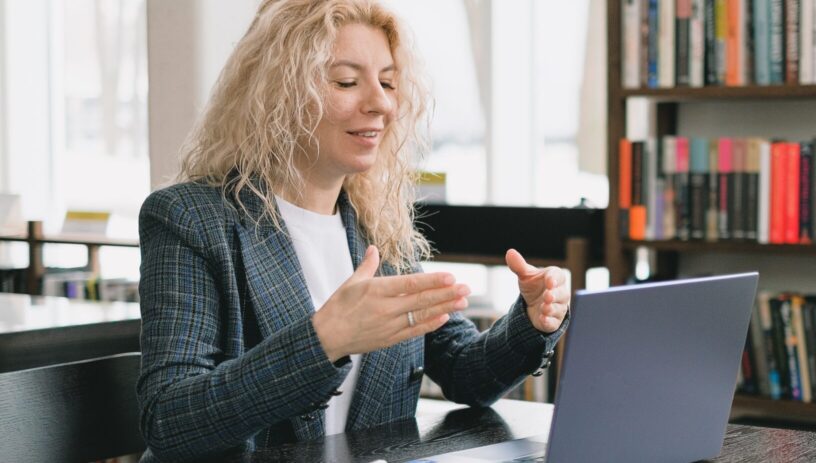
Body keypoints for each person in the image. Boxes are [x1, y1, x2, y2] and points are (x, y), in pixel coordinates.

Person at [135, 0, 570, 461]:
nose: (381, 103)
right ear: (279, 92)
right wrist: (325, 340)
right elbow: (170, 419)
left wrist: (530, 318)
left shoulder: (376, 224)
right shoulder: (187, 218)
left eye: (387, 82)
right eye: (347, 81)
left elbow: (465, 370)